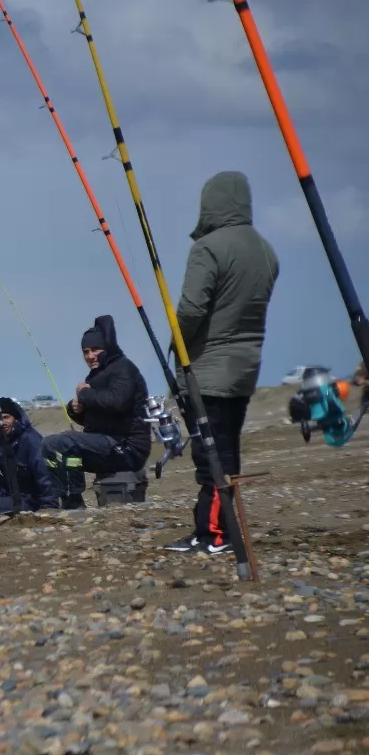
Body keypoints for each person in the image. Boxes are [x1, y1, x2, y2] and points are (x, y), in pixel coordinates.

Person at [164, 171, 279, 554]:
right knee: (227, 449)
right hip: (246, 368)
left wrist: (174, 342)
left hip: (210, 369)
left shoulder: (208, 248)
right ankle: (217, 528)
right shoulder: (265, 249)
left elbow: (192, 309)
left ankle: (216, 534)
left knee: (211, 453)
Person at [41, 315, 152, 509]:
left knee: (64, 442)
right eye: (85, 351)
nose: (90, 356)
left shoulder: (123, 368)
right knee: (49, 445)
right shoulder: (97, 374)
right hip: (107, 443)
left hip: (126, 447)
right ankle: (67, 500)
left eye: (95, 350)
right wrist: (76, 410)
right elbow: (99, 417)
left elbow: (118, 402)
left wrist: (85, 393)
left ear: (107, 347)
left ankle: (73, 503)